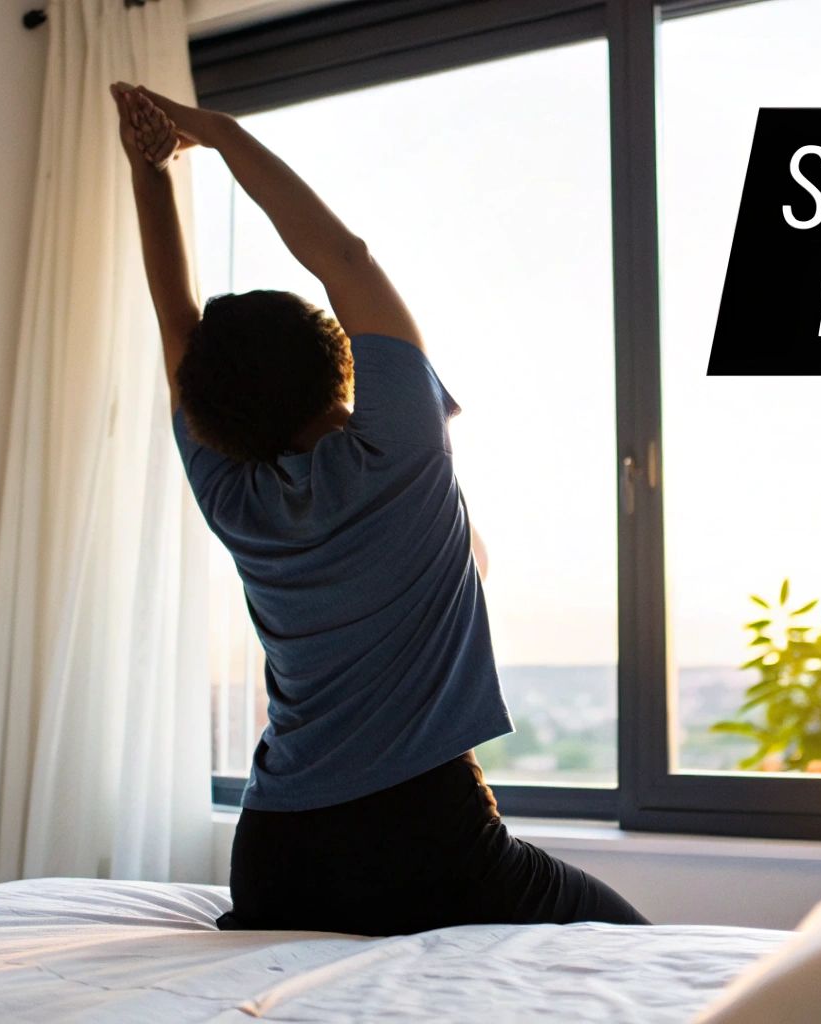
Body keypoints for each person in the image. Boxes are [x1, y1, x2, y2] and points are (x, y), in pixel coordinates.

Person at [108, 82, 648, 936]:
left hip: (276, 854)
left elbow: (177, 324)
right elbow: (346, 260)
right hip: (419, 839)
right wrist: (209, 136)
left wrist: (151, 178)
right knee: (635, 951)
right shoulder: (401, 449)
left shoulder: (233, 495)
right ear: (339, 364)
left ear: (210, 412)